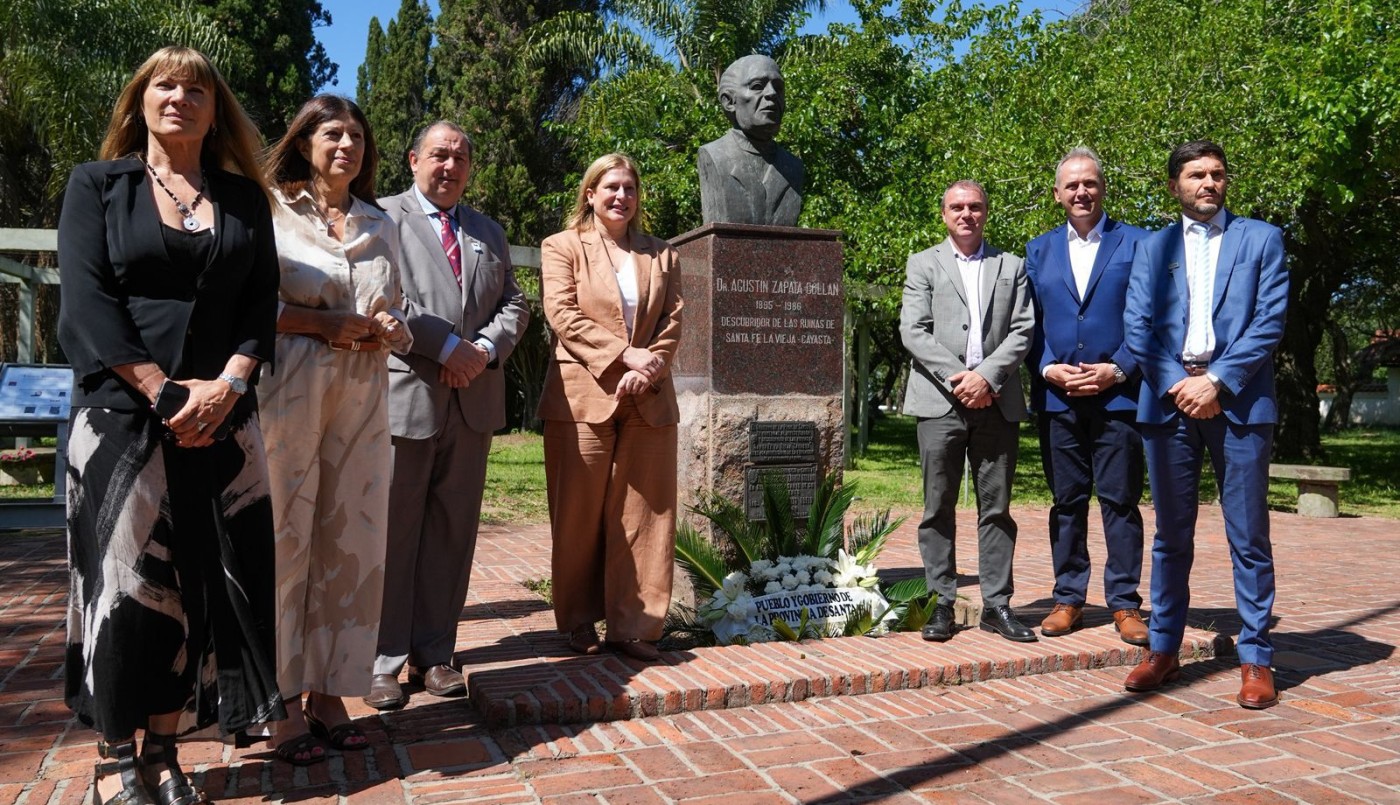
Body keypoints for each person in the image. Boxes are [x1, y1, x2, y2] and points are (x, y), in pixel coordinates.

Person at [57, 45, 283, 805]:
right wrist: (162, 391)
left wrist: (226, 386)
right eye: (164, 84)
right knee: (125, 589)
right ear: (140, 99)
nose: (179, 96)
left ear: (216, 110)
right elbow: (87, 303)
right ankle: (116, 759)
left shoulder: (245, 199)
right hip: (123, 417)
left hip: (222, 420)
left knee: (201, 589)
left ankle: (164, 749)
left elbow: (259, 306)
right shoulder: (97, 186)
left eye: (196, 88)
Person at [258, 95, 412, 764]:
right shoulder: (268, 208)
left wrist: (395, 328)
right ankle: (281, 700)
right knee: (284, 540)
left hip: (362, 398)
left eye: (356, 135)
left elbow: (397, 307)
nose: (346, 144)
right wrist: (319, 322)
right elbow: (241, 303)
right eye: (332, 133)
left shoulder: (381, 222)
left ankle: (332, 691)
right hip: (286, 392)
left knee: (352, 541)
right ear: (303, 141)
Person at [366, 121, 529, 709]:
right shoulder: (381, 217)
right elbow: (382, 299)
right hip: (408, 397)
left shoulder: (487, 231)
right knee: (393, 532)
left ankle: (434, 654)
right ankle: (382, 661)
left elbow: (514, 302)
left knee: (451, 535)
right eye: (439, 154)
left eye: (461, 156)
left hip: (473, 401)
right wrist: (444, 347)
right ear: (413, 159)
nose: (450, 166)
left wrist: (482, 350)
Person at [1122, 140, 1288, 709]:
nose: (1208, 183)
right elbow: (1138, 325)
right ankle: (1163, 650)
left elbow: (1268, 324)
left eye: (1217, 174)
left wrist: (1216, 383)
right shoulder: (1152, 246)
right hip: (1169, 402)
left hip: (1239, 402)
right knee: (1171, 536)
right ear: (1175, 185)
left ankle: (1257, 658)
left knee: (1248, 534)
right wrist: (1180, 383)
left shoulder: (1262, 239)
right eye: (1196, 175)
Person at [538, 153, 683, 661]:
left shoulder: (663, 254)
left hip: (649, 399)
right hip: (582, 395)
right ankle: (578, 620)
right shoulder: (561, 247)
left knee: (647, 515)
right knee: (578, 514)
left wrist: (646, 370)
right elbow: (563, 314)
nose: (621, 196)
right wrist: (623, 357)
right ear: (590, 194)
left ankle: (635, 626)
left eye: (629, 188)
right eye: (611, 187)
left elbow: (672, 322)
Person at [900, 179, 1036, 644]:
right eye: (957, 207)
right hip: (940, 401)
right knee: (937, 505)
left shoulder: (1011, 266)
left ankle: (997, 604)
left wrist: (987, 378)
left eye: (975, 206)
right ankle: (941, 601)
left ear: (986, 212)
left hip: (996, 402)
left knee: (996, 507)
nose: (967, 214)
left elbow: (1022, 330)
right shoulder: (923, 264)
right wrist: (961, 378)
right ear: (944, 214)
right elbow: (913, 332)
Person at [1024, 148, 1151, 645]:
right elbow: (1027, 322)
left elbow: (1151, 319)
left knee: (1120, 501)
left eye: (1090, 183)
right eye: (1072, 185)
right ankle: (1068, 598)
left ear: (1103, 188)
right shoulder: (1038, 250)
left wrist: (1118, 369)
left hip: (1118, 397)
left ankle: (1124, 604)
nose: (1081, 191)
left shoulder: (1138, 243)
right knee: (1067, 501)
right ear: (1057, 194)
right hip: (1058, 399)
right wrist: (1047, 366)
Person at [698, 55, 804, 226]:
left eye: (778, 87)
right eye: (757, 86)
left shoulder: (793, 166)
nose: (771, 94)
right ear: (729, 101)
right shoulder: (715, 156)